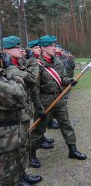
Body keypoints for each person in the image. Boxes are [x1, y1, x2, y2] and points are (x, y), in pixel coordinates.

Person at [29, 35, 86, 168]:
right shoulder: (37, 65)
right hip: (45, 101)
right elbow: (34, 90)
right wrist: (38, 108)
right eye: (51, 46)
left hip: (59, 99)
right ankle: (31, 155)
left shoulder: (57, 62)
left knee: (66, 124)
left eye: (54, 45)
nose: (54, 48)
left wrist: (70, 82)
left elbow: (63, 79)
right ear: (43, 48)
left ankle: (72, 150)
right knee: (39, 130)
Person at [2, 36, 43, 185]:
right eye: (16, 47)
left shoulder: (20, 63)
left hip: (23, 113)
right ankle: (18, 177)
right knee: (14, 152)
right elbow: (31, 79)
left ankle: (22, 174)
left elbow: (33, 79)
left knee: (23, 146)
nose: (21, 50)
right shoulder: (6, 68)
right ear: (6, 50)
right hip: (10, 118)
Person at [0, 52, 27, 186]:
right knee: (8, 178)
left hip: (10, 135)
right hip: (5, 140)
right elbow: (20, 96)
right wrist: (11, 68)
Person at [28, 39, 57, 148]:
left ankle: (41, 139)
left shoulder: (37, 60)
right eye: (36, 47)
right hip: (32, 97)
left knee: (40, 123)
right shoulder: (31, 62)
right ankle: (33, 148)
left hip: (38, 97)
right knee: (36, 123)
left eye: (38, 47)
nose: (39, 49)